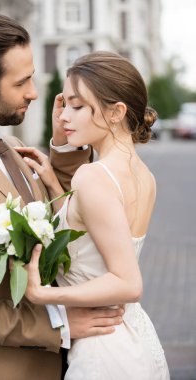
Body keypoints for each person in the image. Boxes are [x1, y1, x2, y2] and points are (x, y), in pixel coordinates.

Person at [0, 13, 124, 380]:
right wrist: (56, 325)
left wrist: (63, 141)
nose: (34, 92)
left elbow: (68, 210)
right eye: (21, 81)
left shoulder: (11, 146)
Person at [20, 51, 170, 379]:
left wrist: (43, 295)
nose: (63, 118)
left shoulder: (92, 177)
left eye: (77, 106)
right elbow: (89, 241)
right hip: (133, 335)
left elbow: (128, 283)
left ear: (116, 112)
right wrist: (53, 185)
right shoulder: (144, 175)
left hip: (102, 350)